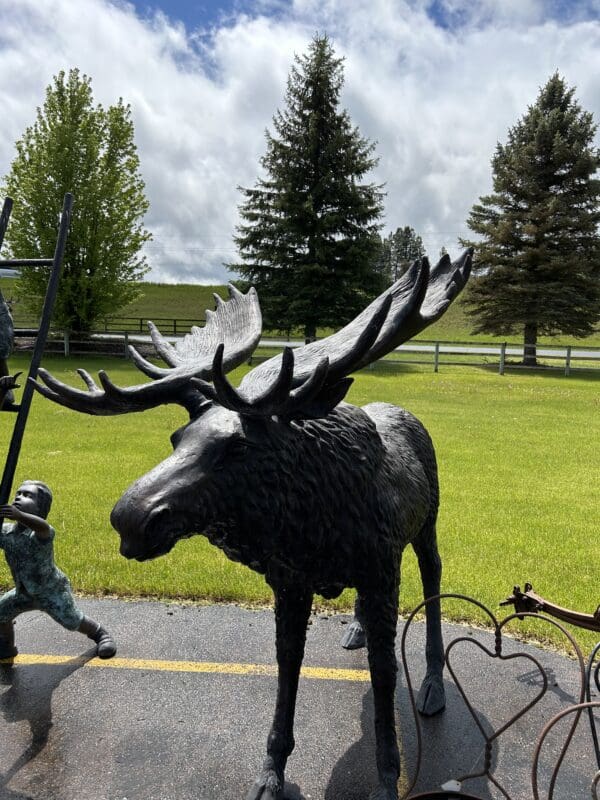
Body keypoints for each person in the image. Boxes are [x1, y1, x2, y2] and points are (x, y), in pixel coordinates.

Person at [0, 481, 116, 660]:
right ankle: (6, 645)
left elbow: (43, 528)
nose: (19, 498)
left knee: (72, 619)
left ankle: (101, 634)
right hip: (23, 592)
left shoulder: (40, 533)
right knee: (1, 612)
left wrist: (20, 516)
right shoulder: (7, 533)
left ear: (41, 509)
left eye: (28, 496)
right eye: (18, 494)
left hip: (51, 591)